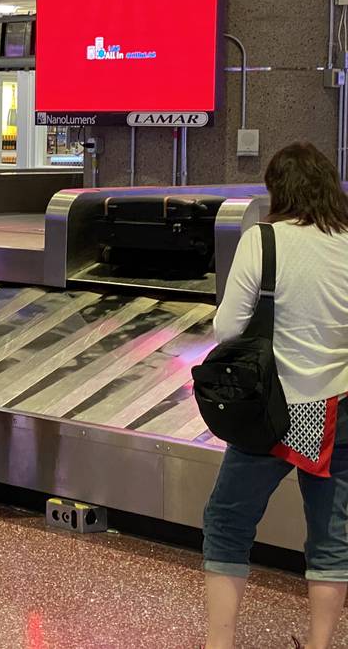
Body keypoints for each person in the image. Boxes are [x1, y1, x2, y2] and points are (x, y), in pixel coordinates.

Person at [204, 142, 348, 649]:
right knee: (332, 534)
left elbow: (227, 329)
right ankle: (320, 644)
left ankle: (219, 644)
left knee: (228, 520)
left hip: (272, 410)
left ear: (277, 191)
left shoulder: (262, 241)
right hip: (338, 410)